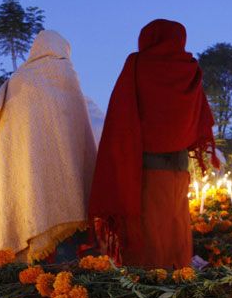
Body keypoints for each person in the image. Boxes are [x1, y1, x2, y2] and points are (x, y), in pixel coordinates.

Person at [89, 19, 218, 269]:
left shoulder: (137, 64)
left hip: (143, 167)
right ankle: (177, 276)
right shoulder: (190, 69)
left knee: (148, 229)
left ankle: (148, 284)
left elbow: (121, 112)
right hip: (179, 165)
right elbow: (197, 116)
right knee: (174, 223)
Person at [0, 30, 97, 264]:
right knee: (66, 234)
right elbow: (78, 136)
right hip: (64, 179)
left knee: (33, 210)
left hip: (27, 177)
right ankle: (63, 285)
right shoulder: (64, 71)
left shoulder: (17, 80)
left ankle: (29, 281)